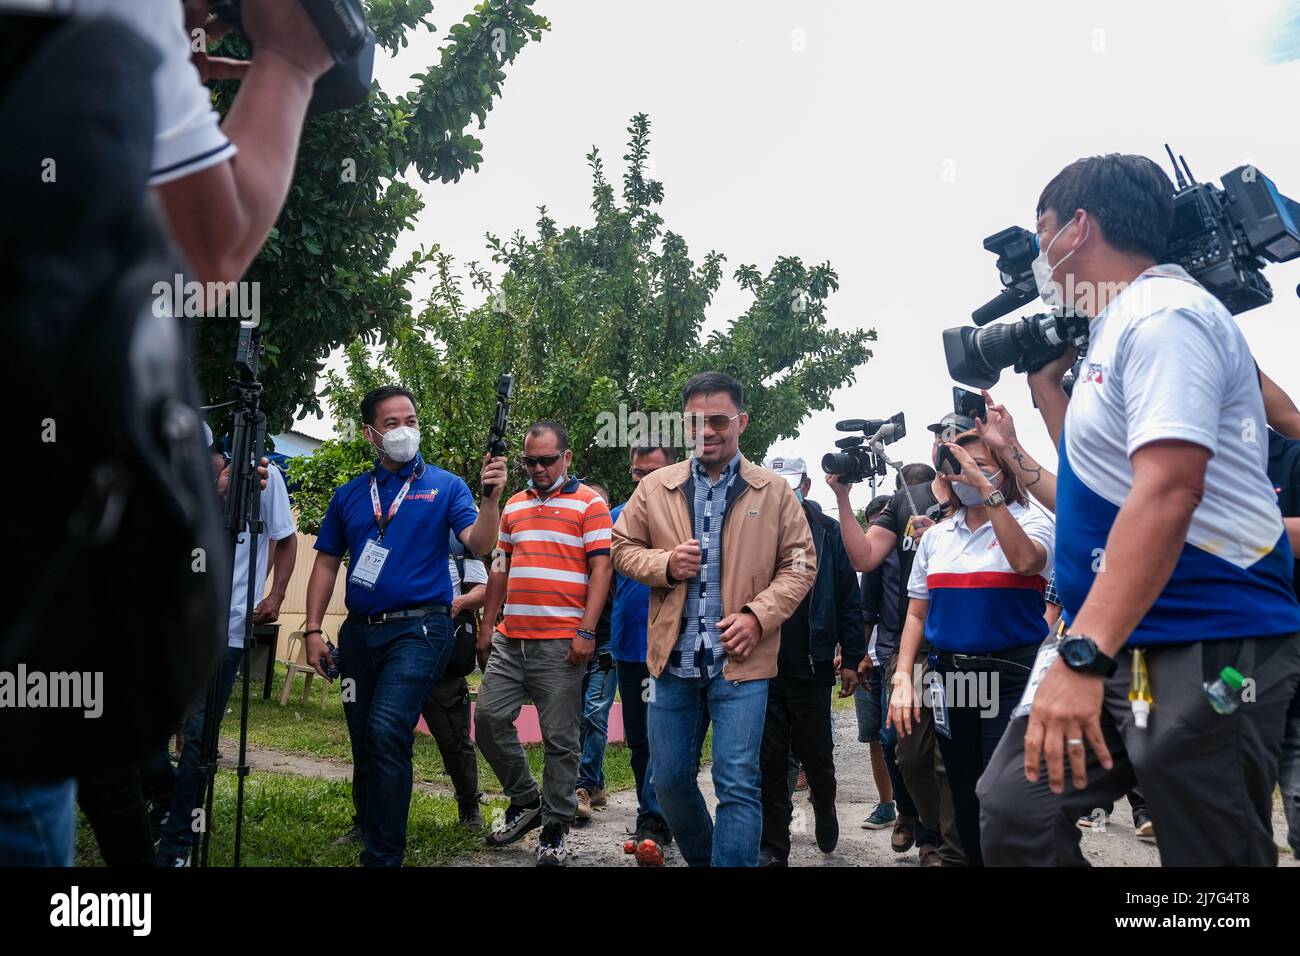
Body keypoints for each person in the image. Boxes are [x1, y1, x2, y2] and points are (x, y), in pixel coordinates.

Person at [978, 153, 1300, 866]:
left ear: (1077, 229)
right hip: (1126, 640)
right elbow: (1103, 489)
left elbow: (1170, 488)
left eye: (1042, 237)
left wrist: (1081, 654)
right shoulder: (1115, 330)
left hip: (1208, 638)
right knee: (1016, 811)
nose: (1041, 263)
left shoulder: (1165, 316)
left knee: (1210, 861)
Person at [611, 372, 816, 867]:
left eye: (719, 420)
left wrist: (756, 616)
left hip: (740, 664)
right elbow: (620, 547)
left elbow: (801, 563)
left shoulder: (773, 491)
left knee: (737, 783)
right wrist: (663, 565)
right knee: (669, 780)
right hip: (671, 662)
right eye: (696, 421)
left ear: (741, 422)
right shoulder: (656, 487)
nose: (708, 431)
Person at [305, 385, 506, 867]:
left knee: (386, 726)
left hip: (421, 629)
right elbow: (328, 563)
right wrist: (313, 629)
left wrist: (491, 498)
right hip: (359, 632)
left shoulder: (446, 486)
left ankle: (383, 855)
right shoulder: (351, 494)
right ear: (370, 433)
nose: (404, 431)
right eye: (392, 424)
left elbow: (480, 544)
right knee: (364, 735)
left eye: (411, 421)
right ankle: (369, 823)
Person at [888, 430, 1055, 866]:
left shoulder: (1033, 520)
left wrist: (987, 491)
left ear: (1004, 471)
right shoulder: (939, 537)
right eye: (958, 466)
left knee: (1005, 795)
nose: (964, 474)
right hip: (952, 679)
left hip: (1012, 678)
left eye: (978, 465)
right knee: (963, 794)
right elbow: (917, 615)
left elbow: (1027, 562)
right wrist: (904, 676)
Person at [831, 419, 971, 866]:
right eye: (940, 437)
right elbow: (864, 557)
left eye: (959, 436)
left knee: (953, 755)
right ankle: (923, 821)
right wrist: (842, 497)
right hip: (908, 648)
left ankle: (948, 847)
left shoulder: (986, 493)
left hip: (970, 645)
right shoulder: (900, 503)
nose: (946, 445)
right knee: (907, 752)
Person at [475, 421, 613, 867]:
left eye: (547, 460)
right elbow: (499, 567)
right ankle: (525, 800)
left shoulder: (589, 505)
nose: (538, 468)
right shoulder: (513, 506)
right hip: (510, 640)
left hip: (562, 644)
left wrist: (587, 631)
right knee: (489, 718)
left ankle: (554, 827)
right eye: (530, 461)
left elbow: (602, 572)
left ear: (567, 458)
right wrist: (486, 625)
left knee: (560, 740)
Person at [156, 444, 297, 866]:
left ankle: (177, 843)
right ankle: (164, 800)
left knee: (198, 738)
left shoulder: (264, 479)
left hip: (225, 629)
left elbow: (285, 538)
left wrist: (274, 593)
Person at [758, 456, 864, 866]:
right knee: (769, 761)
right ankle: (774, 847)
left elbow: (848, 599)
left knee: (817, 756)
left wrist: (852, 656)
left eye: (792, 484)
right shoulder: (754, 529)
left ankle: (824, 805)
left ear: (804, 483)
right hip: (764, 665)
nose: (785, 492)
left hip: (813, 664)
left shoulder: (827, 532)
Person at [610, 436, 679, 865]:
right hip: (627, 646)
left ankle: (653, 819)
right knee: (638, 741)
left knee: (663, 738)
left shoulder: (685, 519)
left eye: (654, 473)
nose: (645, 481)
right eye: (639, 474)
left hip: (671, 648)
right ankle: (652, 817)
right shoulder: (615, 519)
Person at [855, 493, 898, 832]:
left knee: (895, 737)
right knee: (874, 736)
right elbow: (861, 611)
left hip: (897, 656)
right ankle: (887, 805)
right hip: (867, 658)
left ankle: (913, 808)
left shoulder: (909, 558)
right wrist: (855, 653)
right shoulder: (865, 560)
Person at [575, 478, 617, 823]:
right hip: (569, 639)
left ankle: (584, 786)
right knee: (574, 715)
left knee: (594, 712)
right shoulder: (570, 544)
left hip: (607, 640)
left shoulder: (619, 546)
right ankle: (597, 782)